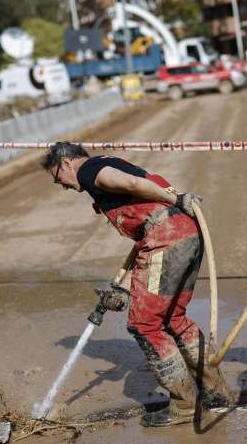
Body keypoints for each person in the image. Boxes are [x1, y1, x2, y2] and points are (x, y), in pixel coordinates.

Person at [42, 143, 233, 427]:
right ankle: (216, 395)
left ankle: (182, 406)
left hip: (166, 238)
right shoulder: (105, 164)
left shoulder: (89, 171)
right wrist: (126, 287)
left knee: (144, 324)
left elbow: (132, 183)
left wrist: (178, 199)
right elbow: (143, 223)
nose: (62, 185)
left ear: (67, 163)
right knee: (173, 319)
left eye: (58, 178)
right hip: (182, 234)